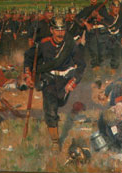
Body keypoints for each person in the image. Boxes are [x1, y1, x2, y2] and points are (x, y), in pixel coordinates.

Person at [24, 17, 86, 147]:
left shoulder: (70, 45)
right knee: (51, 110)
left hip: (65, 81)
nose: (60, 33)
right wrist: (28, 75)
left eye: (63, 30)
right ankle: (55, 142)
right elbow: (29, 57)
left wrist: (73, 81)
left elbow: (81, 65)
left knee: (61, 102)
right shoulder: (43, 44)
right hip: (50, 80)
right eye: (57, 30)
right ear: (51, 30)